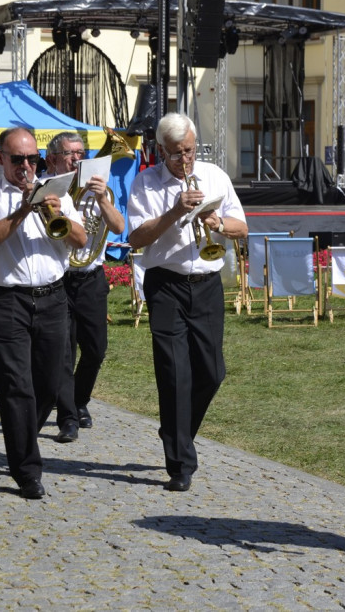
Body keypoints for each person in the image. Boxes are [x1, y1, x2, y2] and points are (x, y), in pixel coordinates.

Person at [126, 112, 247, 492]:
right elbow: (136, 239)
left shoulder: (214, 176)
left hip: (207, 283)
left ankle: (176, 431)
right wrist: (176, 210)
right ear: (161, 150)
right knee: (174, 372)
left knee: (213, 372)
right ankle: (180, 463)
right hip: (166, 284)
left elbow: (242, 226)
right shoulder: (146, 183)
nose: (185, 160)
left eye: (190, 151)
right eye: (176, 154)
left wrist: (219, 224)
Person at [0, 127, 87, 499]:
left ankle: (19, 437)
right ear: (1, 159)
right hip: (8, 300)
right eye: (17, 159)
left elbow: (81, 241)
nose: (25, 166)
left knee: (50, 384)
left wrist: (54, 211)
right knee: (15, 386)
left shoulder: (57, 192)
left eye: (31, 159)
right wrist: (22, 211)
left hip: (52, 297)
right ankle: (27, 471)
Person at [46, 131, 125, 442]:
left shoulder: (100, 191)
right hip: (60, 277)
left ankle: (79, 400)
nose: (77, 158)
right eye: (70, 153)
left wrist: (103, 199)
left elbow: (119, 227)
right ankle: (68, 417)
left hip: (91, 277)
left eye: (81, 152)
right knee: (64, 352)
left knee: (95, 350)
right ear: (54, 158)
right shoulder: (49, 189)